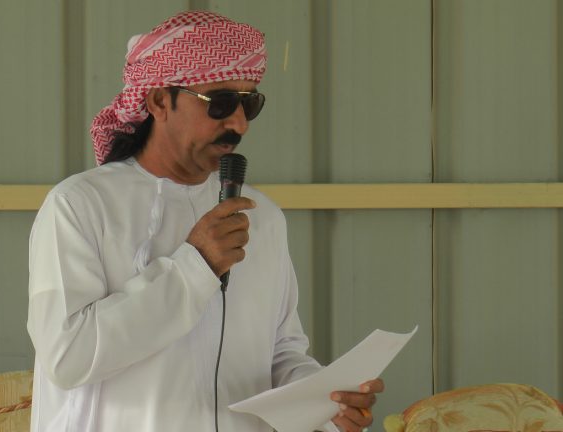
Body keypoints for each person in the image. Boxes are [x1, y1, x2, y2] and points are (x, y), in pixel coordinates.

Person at [27, 10, 382, 432]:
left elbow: (280, 353)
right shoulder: (81, 205)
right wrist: (196, 265)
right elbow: (67, 357)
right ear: (159, 101)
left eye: (250, 103)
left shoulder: (262, 215)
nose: (239, 123)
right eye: (221, 103)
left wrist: (326, 403)